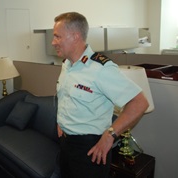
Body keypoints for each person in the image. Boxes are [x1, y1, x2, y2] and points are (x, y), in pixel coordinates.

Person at [52, 12, 149, 178]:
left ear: (75, 36)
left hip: (90, 149)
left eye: (57, 37)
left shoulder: (101, 69)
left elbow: (139, 102)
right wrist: (62, 121)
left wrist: (110, 135)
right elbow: (66, 96)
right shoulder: (67, 64)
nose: (53, 42)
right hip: (66, 144)